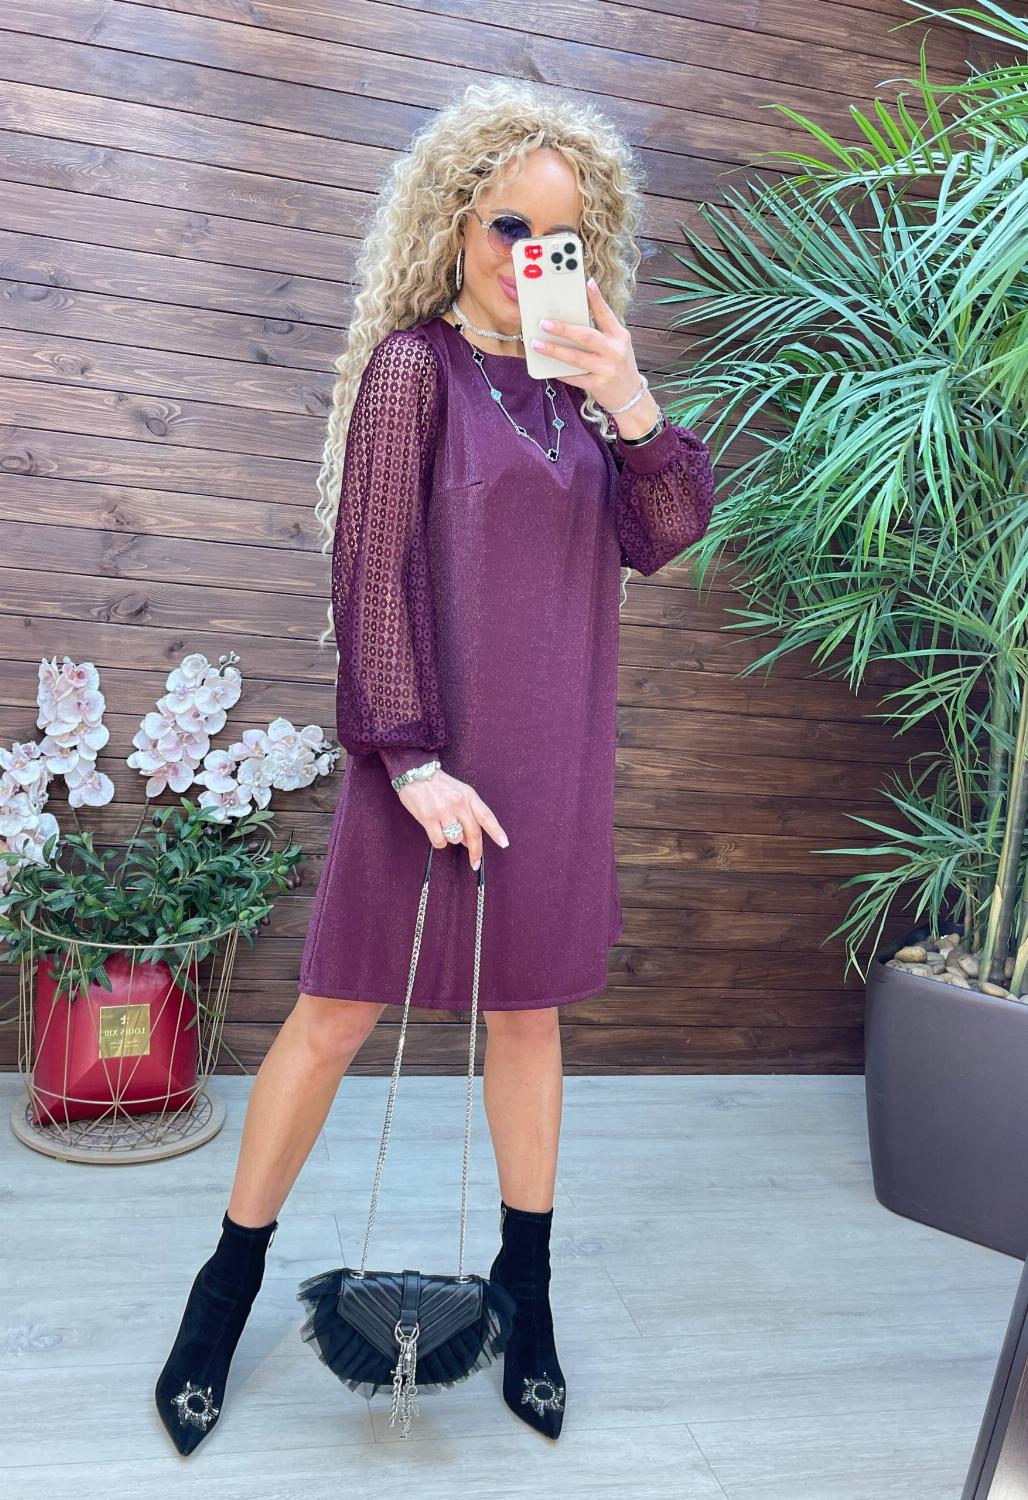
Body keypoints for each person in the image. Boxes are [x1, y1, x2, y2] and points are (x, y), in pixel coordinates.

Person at [155, 76, 715, 1455]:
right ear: (454, 223)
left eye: (557, 235)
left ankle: (528, 1296)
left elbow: (666, 534)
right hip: (423, 756)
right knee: (336, 1015)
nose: (526, 253)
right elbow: (372, 571)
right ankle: (221, 1297)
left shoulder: (585, 386)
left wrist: (629, 395)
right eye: (505, 224)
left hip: (551, 755)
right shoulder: (415, 368)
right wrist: (408, 761)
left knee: (528, 1019)